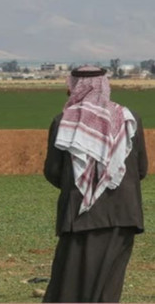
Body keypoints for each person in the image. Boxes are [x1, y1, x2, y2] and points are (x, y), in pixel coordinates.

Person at [43, 66, 147, 302]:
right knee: (108, 285)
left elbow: (53, 171)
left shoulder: (63, 122)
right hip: (123, 214)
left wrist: (81, 187)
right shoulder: (130, 119)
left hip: (79, 215)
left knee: (68, 283)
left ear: (74, 86)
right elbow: (140, 170)